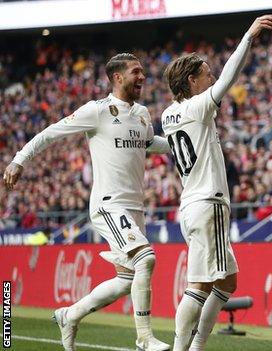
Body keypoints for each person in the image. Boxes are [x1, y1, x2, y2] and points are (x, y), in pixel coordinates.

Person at [3, 53, 171, 351]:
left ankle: (70, 314)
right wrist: (20, 160)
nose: (143, 77)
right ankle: (144, 337)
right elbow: (50, 133)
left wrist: (179, 144)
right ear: (118, 77)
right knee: (146, 259)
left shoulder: (143, 112)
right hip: (108, 204)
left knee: (126, 279)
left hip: (135, 206)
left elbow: (149, 144)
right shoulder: (98, 111)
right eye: (136, 72)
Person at [161, 15, 272, 351]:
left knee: (227, 281)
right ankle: (183, 347)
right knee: (198, 285)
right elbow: (229, 78)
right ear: (192, 80)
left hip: (192, 205)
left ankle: (196, 345)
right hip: (208, 203)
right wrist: (249, 36)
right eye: (205, 74)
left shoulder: (169, 114)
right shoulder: (198, 108)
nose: (211, 77)